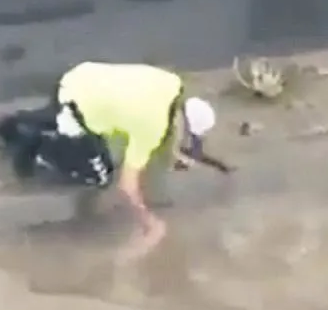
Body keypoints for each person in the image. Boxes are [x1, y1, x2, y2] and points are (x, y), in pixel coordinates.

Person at [55, 62, 217, 252]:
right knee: (100, 176)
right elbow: (126, 187)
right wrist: (150, 223)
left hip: (83, 74)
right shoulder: (152, 127)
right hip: (70, 102)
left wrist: (173, 152)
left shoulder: (171, 83)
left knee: (121, 138)